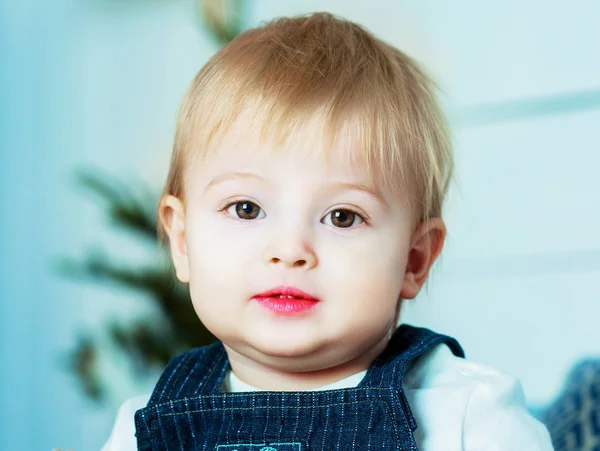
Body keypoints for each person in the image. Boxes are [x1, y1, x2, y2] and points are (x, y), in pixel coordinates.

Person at [102, 12, 553, 450]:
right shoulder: (145, 428)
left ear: (414, 260)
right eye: (246, 208)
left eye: (342, 217)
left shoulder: (468, 416)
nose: (290, 250)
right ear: (182, 242)